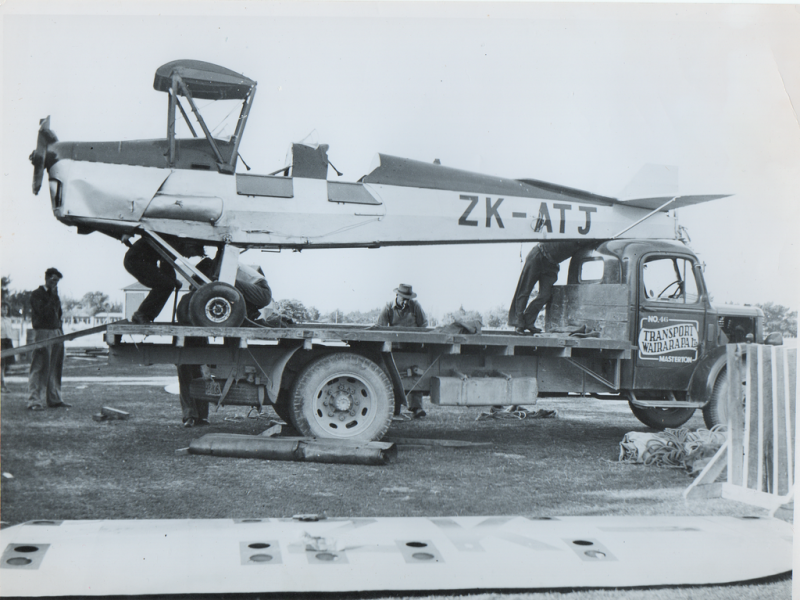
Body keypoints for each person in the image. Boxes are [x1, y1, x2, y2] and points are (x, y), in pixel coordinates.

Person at [508, 241, 587, 335]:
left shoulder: (588, 241)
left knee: (545, 295)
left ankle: (528, 322)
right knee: (525, 290)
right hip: (539, 254)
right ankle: (518, 323)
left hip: (552, 264)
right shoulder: (579, 234)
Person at [123, 235, 204, 324]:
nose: (188, 257)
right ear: (190, 246)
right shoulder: (175, 244)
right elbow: (166, 263)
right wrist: (173, 280)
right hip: (135, 260)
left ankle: (144, 315)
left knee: (166, 284)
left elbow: (166, 264)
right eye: (191, 254)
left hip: (140, 260)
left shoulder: (176, 244)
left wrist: (173, 280)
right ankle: (142, 314)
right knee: (165, 284)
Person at [378, 283, 428, 419]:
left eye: (408, 298)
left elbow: (424, 324)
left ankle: (417, 408)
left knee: (415, 377)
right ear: (397, 295)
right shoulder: (388, 307)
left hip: (413, 347)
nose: (406, 301)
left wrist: (417, 339)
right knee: (395, 377)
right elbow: (380, 327)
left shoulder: (415, 306)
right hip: (395, 347)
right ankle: (395, 408)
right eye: (403, 298)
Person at [27, 268, 69, 410]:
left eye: (57, 281)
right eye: (53, 280)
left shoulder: (55, 296)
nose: (55, 283)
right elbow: (43, 312)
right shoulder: (37, 294)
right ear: (47, 279)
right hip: (42, 332)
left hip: (56, 333)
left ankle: (55, 399)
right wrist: (52, 296)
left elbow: (58, 315)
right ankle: (34, 401)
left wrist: (61, 332)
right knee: (39, 366)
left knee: (56, 366)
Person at [1, 303, 17, 392]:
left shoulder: (8, 320)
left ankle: (3, 384)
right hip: (1, 342)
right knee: (1, 364)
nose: (4, 311)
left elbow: (10, 331)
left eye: (6, 309)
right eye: (3, 309)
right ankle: (2, 385)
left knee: (6, 364)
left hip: (8, 342)